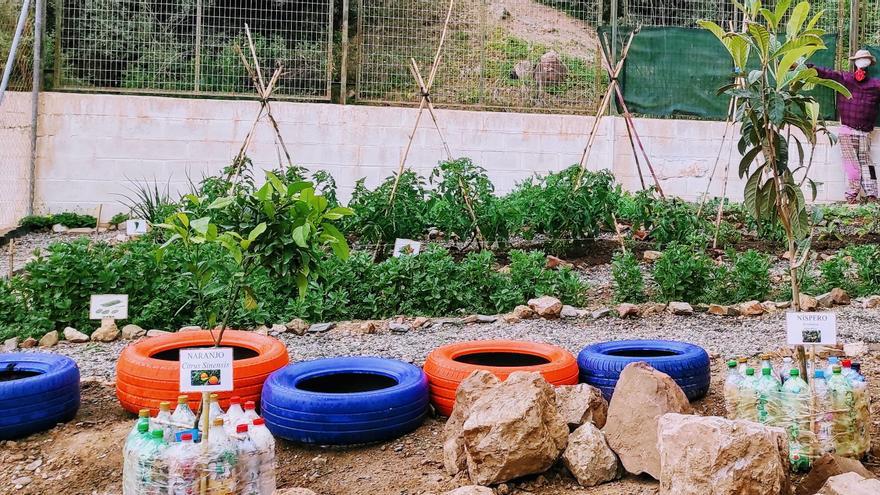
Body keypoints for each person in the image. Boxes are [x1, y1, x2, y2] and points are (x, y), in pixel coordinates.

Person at [809, 50, 880, 204]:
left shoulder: (875, 84)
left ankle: (872, 195)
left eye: (865, 59)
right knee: (853, 166)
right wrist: (805, 67)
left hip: (866, 134)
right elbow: (825, 73)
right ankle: (851, 196)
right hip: (847, 132)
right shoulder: (845, 78)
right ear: (855, 62)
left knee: (869, 165)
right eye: (861, 59)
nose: (863, 62)